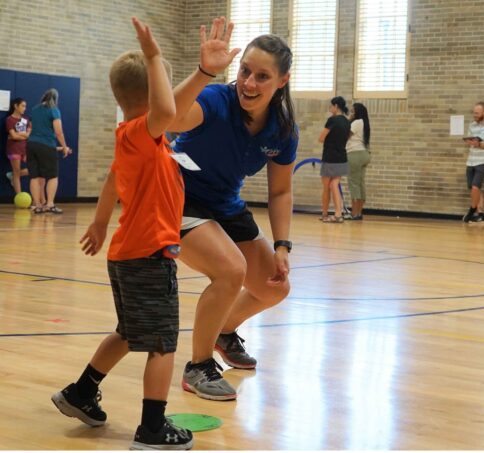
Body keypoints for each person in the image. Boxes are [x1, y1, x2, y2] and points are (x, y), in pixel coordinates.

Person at [50, 16, 232, 449]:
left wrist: (97, 222)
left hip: (128, 253)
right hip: (149, 255)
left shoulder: (134, 138)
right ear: (155, 95)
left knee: (131, 331)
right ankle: (152, 429)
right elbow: (167, 111)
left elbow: (114, 177)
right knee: (163, 343)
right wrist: (192, 69)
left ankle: (80, 392)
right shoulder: (144, 131)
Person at [168, 32, 296, 400]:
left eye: (261, 76)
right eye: (244, 71)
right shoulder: (214, 98)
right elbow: (170, 117)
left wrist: (283, 245)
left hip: (225, 204)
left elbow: (280, 191)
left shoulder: (283, 129)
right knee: (230, 270)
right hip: (180, 198)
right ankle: (198, 367)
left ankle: (224, 331)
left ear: (282, 81)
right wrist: (204, 72)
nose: (249, 83)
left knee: (275, 285)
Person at [26, 88, 72, 213]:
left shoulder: (34, 109)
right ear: (56, 99)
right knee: (52, 176)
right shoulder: (54, 110)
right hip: (46, 145)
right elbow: (58, 132)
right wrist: (64, 147)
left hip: (31, 144)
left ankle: (38, 205)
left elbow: (30, 128)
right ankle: (50, 204)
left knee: (34, 176)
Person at [317, 96, 350, 223]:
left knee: (327, 186)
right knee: (334, 183)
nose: (330, 108)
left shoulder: (332, 120)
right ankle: (336, 213)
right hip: (342, 157)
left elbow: (321, 138)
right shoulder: (347, 122)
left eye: (331, 106)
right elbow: (346, 138)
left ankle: (330, 214)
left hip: (330, 157)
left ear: (336, 106)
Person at [344, 102, 371, 220]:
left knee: (353, 184)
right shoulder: (364, 123)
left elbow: (346, 135)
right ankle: (359, 213)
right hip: (364, 154)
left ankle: (354, 213)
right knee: (360, 184)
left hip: (354, 154)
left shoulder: (356, 122)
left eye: (353, 111)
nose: (351, 113)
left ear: (357, 112)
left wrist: (348, 120)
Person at [5, 97, 31, 195]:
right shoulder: (9, 120)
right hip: (13, 149)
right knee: (16, 172)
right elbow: (13, 136)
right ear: (16, 106)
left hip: (25, 149)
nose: (25, 108)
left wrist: (18, 135)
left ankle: (12, 176)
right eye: (23, 106)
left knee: (33, 169)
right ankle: (19, 196)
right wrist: (21, 135)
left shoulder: (26, 119)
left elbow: (28, 135)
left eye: (25, 106)